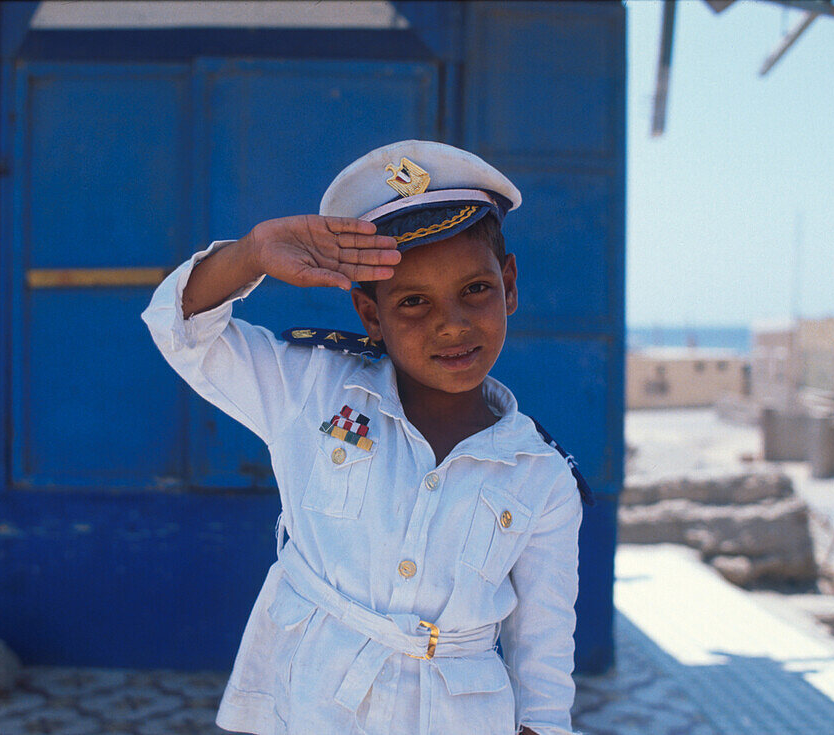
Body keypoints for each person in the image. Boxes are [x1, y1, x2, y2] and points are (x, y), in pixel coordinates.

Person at [141, 140, 591, 735]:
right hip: (311, 706)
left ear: (508, 284)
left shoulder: (541, 475)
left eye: (475, 290)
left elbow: (544, 648)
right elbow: (183, 331)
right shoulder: (313, 391)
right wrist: (251, 253)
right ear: (370, 314)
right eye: (412, 301)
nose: (451, 323)